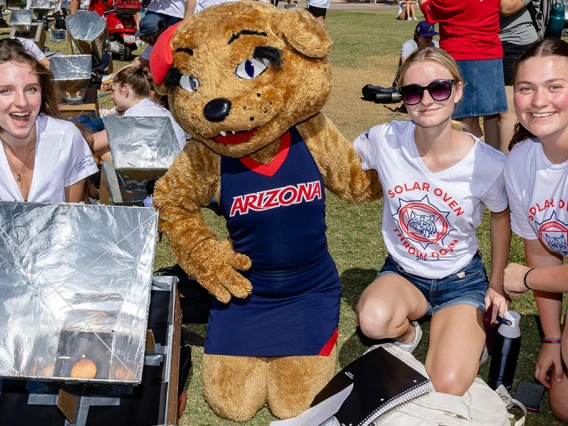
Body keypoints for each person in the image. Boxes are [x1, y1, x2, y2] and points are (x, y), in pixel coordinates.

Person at [354, 47, 511, 396]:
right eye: (412, 92)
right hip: (403, 272)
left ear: (457, 91)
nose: (426, 100)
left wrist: (496, 284)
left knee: (447, 384)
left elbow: (502, 217)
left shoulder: (488, 163)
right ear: (403, 98)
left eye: (438, 88)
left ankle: (464, 334)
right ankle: (410, 334)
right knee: (373, 320)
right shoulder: (384, 139)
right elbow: (337, 164)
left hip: (461, 281)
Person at [501, 38, 568, 423]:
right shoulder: (522, 160)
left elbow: (536, 269)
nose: (539, 100)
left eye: (555, 86)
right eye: (527, 88)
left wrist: (526, 278)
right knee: (562, 406)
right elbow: (543, 249)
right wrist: (552, 339)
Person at [0, 39, 98, 203]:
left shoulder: (66, 138)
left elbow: (70, 216)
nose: (22, 103)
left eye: (31, 89)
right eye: (5, 91)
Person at [419, 0, 506, 141]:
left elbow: (429, 11)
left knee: (466, 121)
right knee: (492, 117)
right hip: (491, 55)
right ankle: (496, 158)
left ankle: (474, 159)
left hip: (461, 54)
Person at [92, 66, 188, 163]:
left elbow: (94, 142)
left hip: (159, 173)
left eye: (114, 91)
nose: (112, 96)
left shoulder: (135, 115)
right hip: (173, 166)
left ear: (125, 89)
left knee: (99, 151)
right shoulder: (155, 108)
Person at [494, 0, 538, 154]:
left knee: (507, 111)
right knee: (490, 112)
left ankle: (510, 165)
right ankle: (493, 164)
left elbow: (507, 7)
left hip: (514, 43)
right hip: (482, 42)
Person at [393, 20, 439, 86]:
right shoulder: (409, 45)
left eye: (431, 36)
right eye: (426, 37)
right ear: (417, 35)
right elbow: (405, 65)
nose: (429, 39)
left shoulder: (435, 45)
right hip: (405, 84)